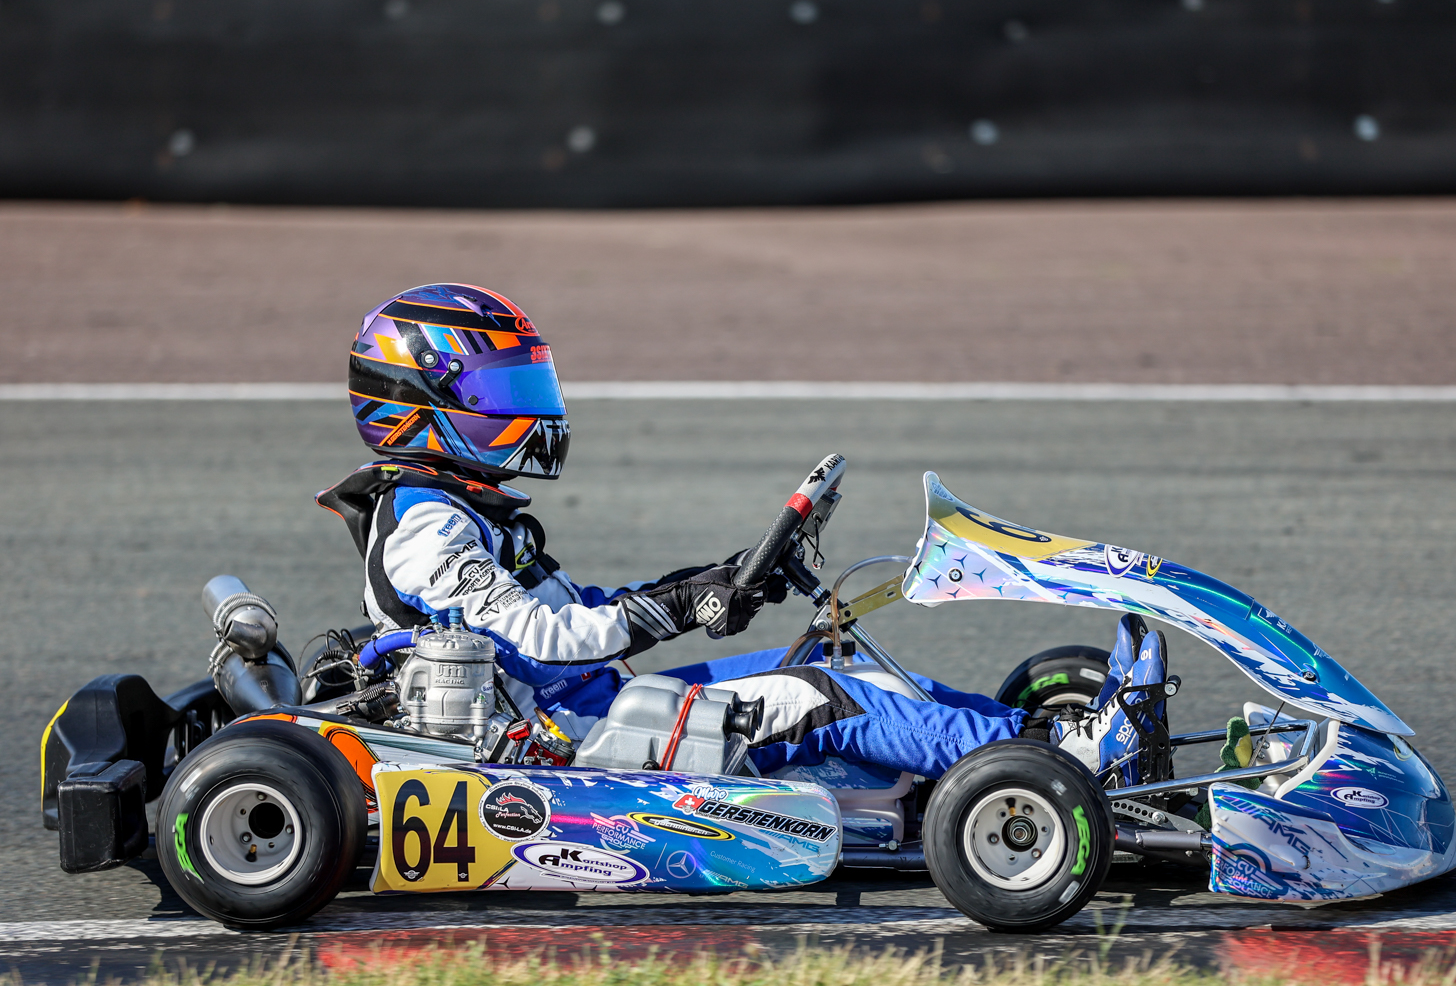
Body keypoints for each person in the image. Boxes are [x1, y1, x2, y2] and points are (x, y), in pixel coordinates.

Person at [317, 283, 1167, 784]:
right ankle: (1069, 767)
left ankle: (1047, 740)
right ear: (425, 404)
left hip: (587, 711)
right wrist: (688, 603)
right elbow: (548, 636)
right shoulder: (425, 526)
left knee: (831, 665)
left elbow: (574, 615)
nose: (525, 409)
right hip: (558, 755)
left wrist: (716, 581)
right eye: (500, 392)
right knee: (823, 700)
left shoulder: (461, 511)